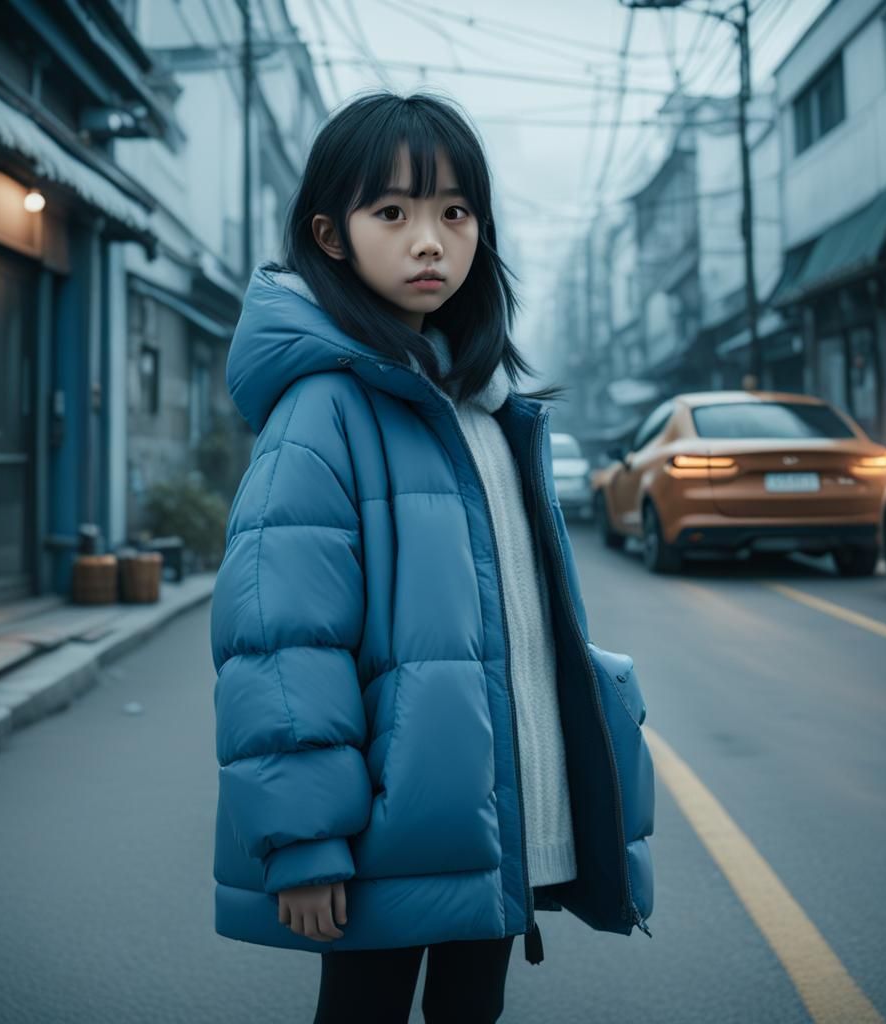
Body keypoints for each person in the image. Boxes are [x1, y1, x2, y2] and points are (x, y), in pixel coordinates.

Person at [210, 89, 654, 1024]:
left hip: (491, 814)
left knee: (472, 1010)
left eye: (455, 212)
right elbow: (282, 643)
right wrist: (304, 842)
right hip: (384, 825)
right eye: (393, 212)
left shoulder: (485, 408)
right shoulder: (322, 411)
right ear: (331, 236)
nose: (430, 241)